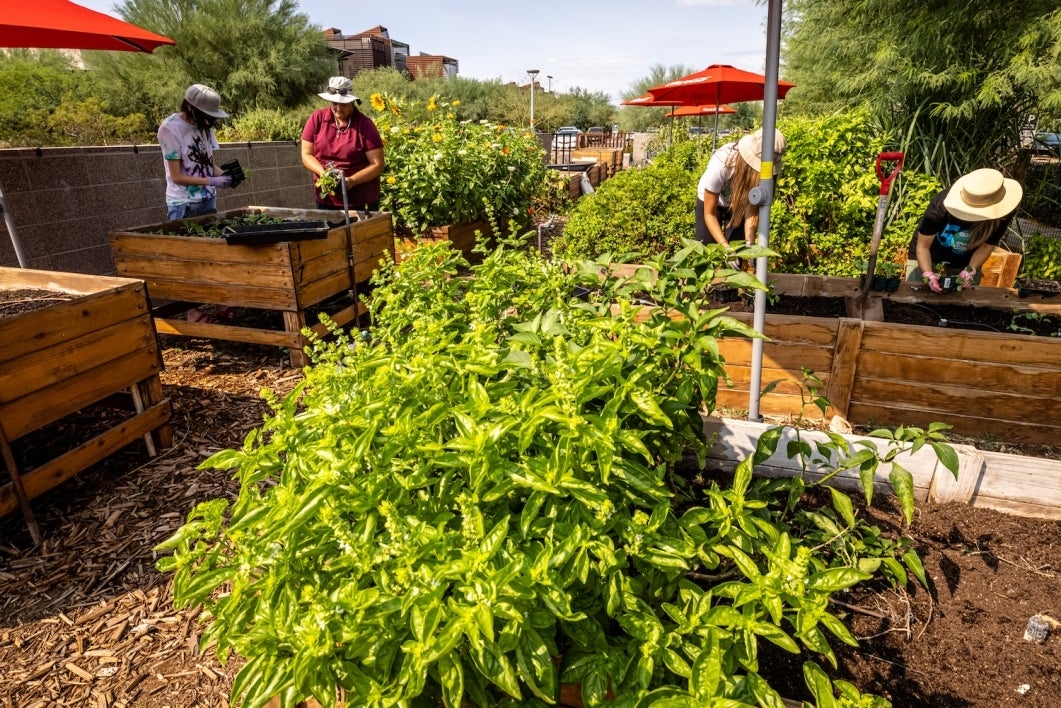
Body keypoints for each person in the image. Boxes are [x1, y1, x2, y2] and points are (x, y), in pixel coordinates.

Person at [906, 168, 1022, 292]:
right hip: (929, 252)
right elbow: (923, 247)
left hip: (968, 258)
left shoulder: (1002, 212)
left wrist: (970, 269)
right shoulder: (941, 204)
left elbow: (988, 245)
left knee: (965, 299)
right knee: (915, 292)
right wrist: (928, 273)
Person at [301, 76, 385, 212]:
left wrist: (351, 181)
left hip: (361, 200)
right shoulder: (317, 119)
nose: (338, 108)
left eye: (343, 104)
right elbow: (306, 154)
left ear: (352, 102)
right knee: (332, 233)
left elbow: (377, 164)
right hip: (327, 200)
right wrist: (323, 174)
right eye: (334, 103)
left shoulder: (365, 125)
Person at [695, 127, 787, 248]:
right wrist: (726, 248)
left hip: (738, 203)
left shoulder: (763, 176)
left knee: (739, 248)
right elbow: (709, 214)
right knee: (706, 249)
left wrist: (750, 245)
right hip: (712, 204)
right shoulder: (722, 164)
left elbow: (752, 211)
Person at [157, 84, 233, 221]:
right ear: (190, 107)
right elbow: (177, 177)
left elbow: (211, 166)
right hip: (183, 204)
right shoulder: (170, 128)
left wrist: (226, 177)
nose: (208, 120)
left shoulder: (205, 126)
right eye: (205, 114)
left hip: (208, 200)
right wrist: (211, 181)